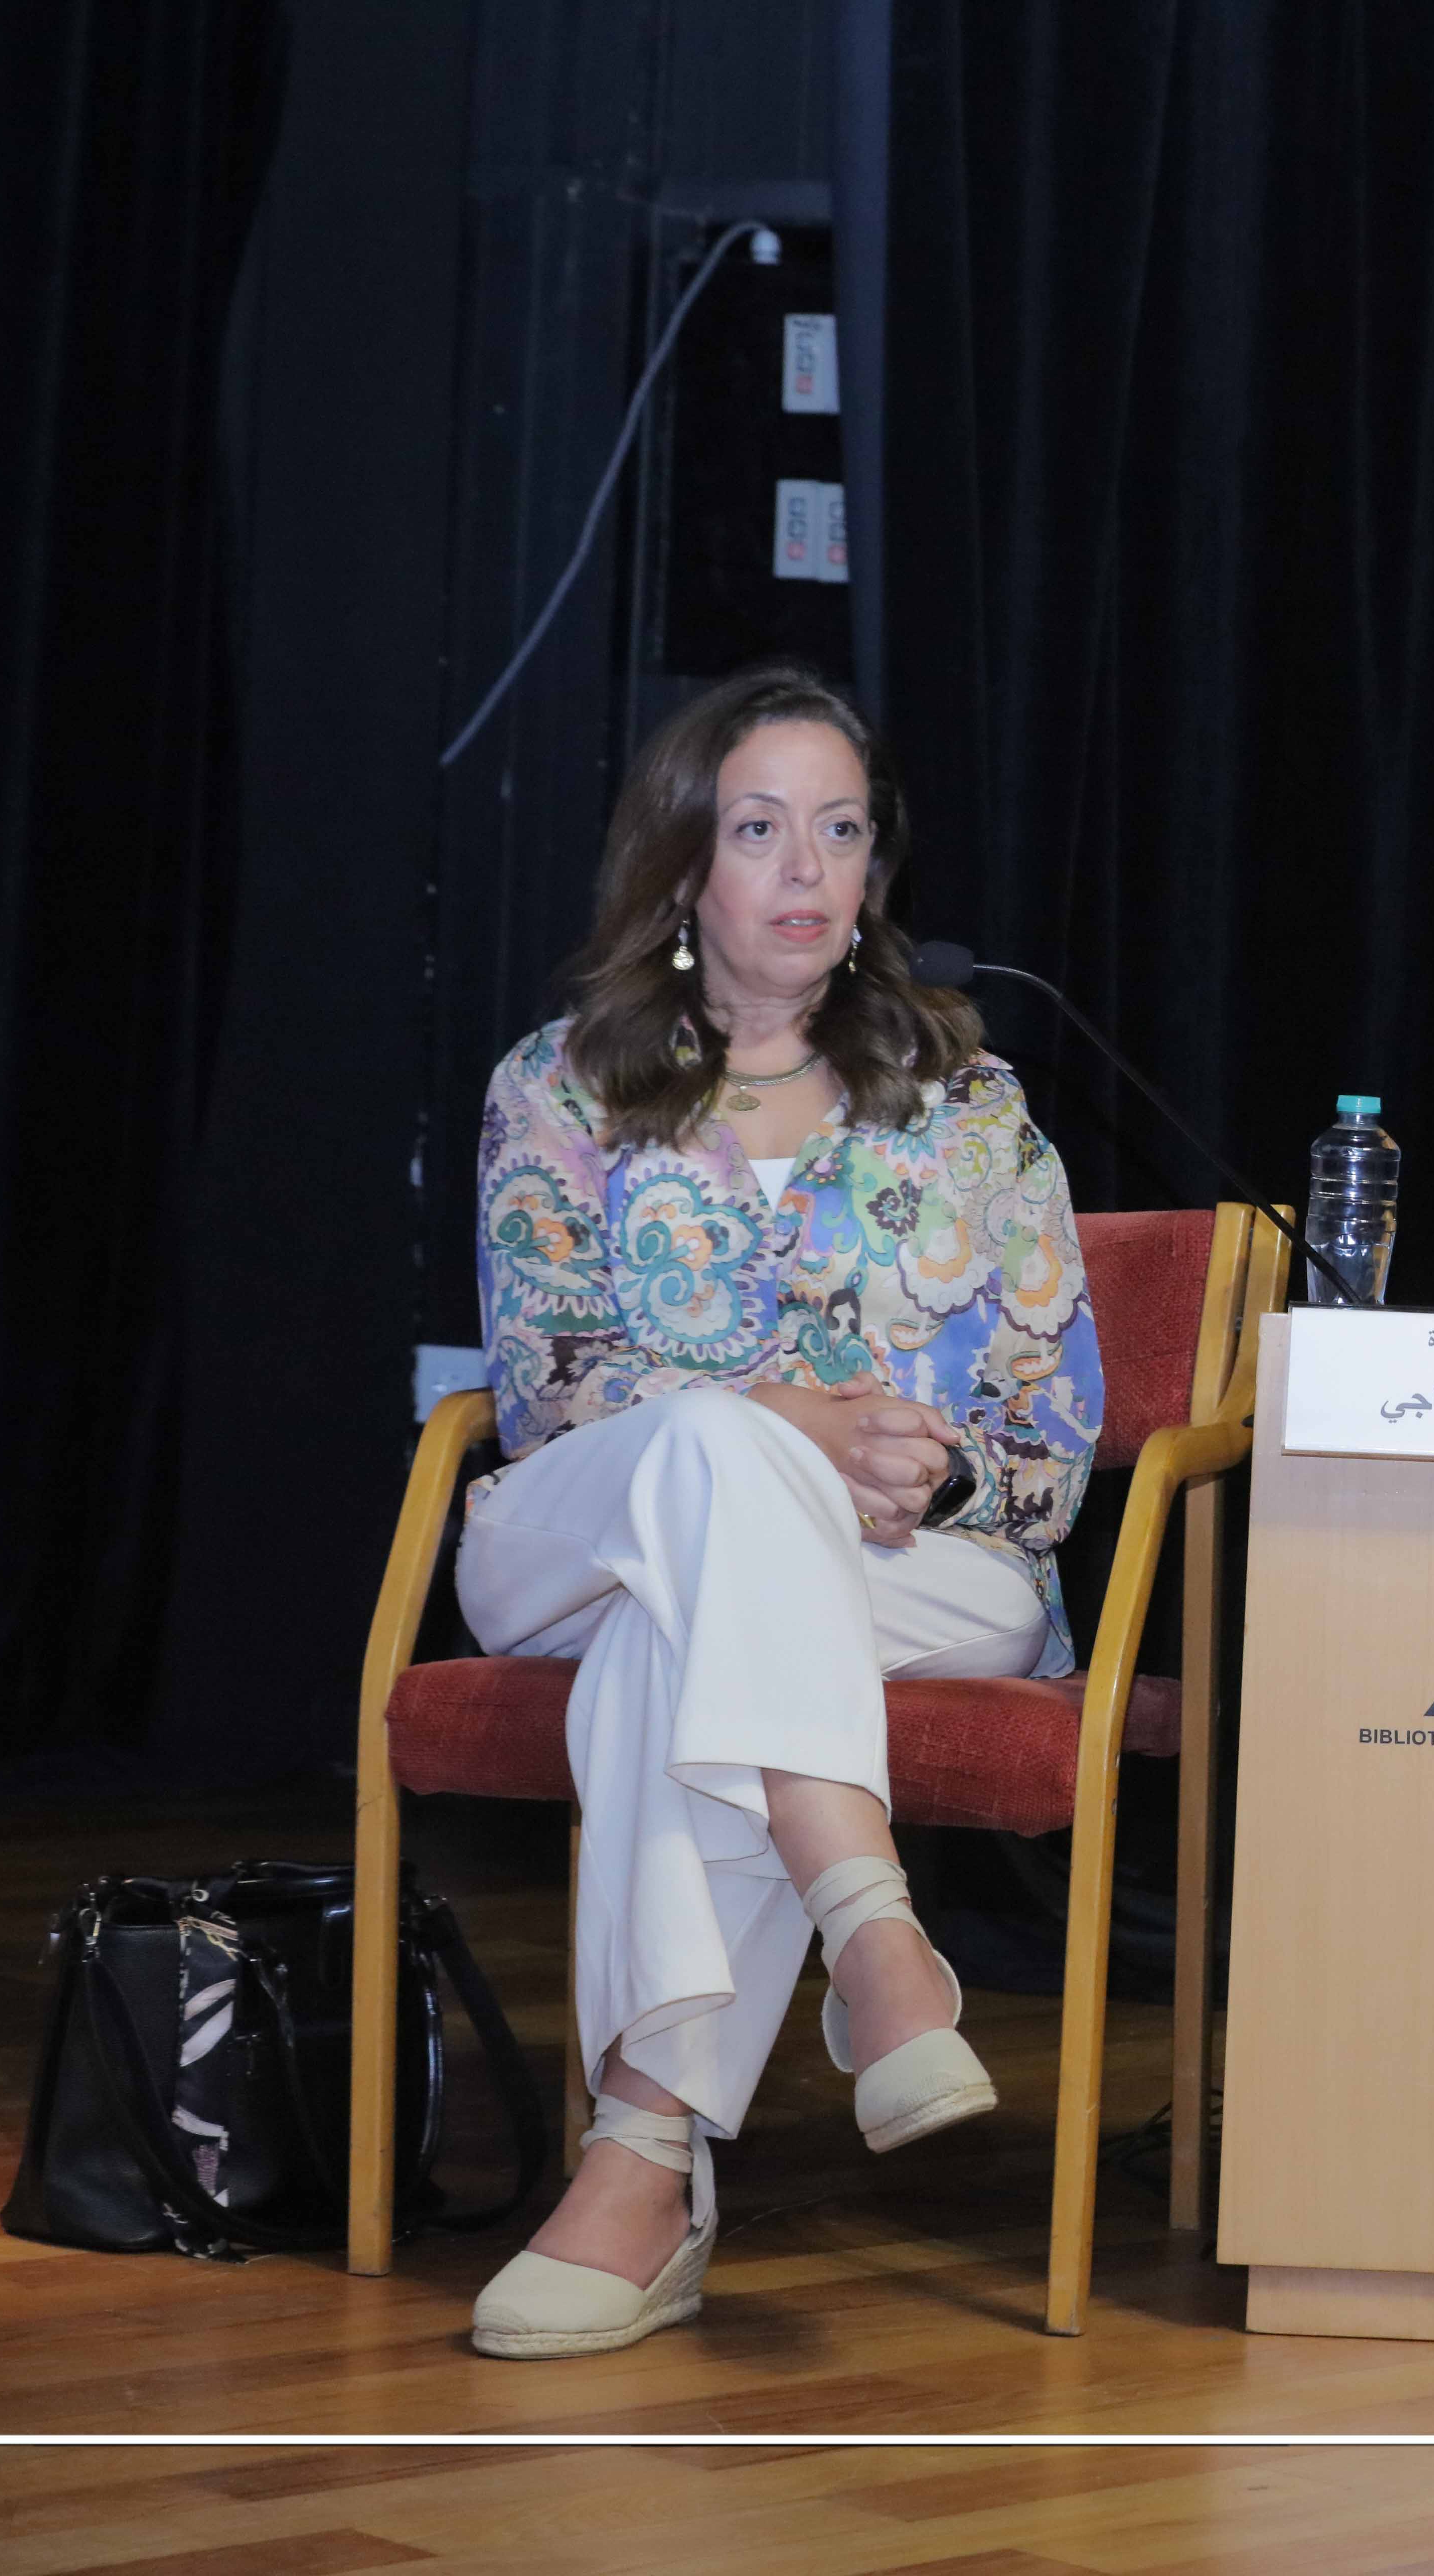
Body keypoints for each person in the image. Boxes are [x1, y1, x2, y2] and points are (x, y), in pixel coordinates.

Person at [454, 665, 1104, 2359]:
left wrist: (939, 1471)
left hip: (922, 1568)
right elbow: (549, 1385)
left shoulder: (968, 1107)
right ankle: (871, 1928)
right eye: (760, 830)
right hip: (581, 1538)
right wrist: (779, 1430)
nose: (809, 870)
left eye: (843, 829)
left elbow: (1052, 1430)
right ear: (684, 864)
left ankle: (644, 2162)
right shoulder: (558, 1088)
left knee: (684, 1645)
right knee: (710, 1461)